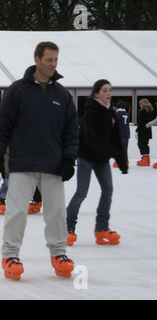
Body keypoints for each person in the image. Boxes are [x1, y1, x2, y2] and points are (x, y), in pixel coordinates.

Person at [0, 41, 79, 280]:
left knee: (57, 212)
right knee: (16, 211)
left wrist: (69, 158)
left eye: (56, 60)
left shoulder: (62, 95)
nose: (53, 64)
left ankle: (59, 253)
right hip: (22, 162)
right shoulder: (17, 91)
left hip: (53, 163)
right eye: (49, 59)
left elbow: (71, 130)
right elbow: (2, 127)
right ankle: (10, 255)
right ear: (37, 59)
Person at [66, 79, 128, 247]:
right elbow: (90, 137)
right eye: (104, 90)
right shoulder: (91, 112)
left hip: (101, 159)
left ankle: (101, 229)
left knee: (108, 190)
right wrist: (110, 151)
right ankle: (67, 228)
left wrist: (121, 160)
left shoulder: (110, 113)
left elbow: (116, 138)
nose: (108, 93)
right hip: (86, 158)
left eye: (110, 90)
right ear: (96, 93)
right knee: (81, 193)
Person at [136, 98, 155, 166]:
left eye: (140, 104)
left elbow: (141, 123)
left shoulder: (142, 112)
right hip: (148, 130)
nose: (140, 105)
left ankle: (144, 160)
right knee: (145, 145)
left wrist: (137, 130)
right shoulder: (150, 111)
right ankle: (147, 159)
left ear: (143, 104)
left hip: (142, 131)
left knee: (141, 144)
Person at [112, 101, 130, 167]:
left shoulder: (117, 114)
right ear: (124, 107)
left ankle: (119, 162)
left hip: (120, 134)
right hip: (127, 134)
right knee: (125, 149)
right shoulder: (127, 114)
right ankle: (126, 161)